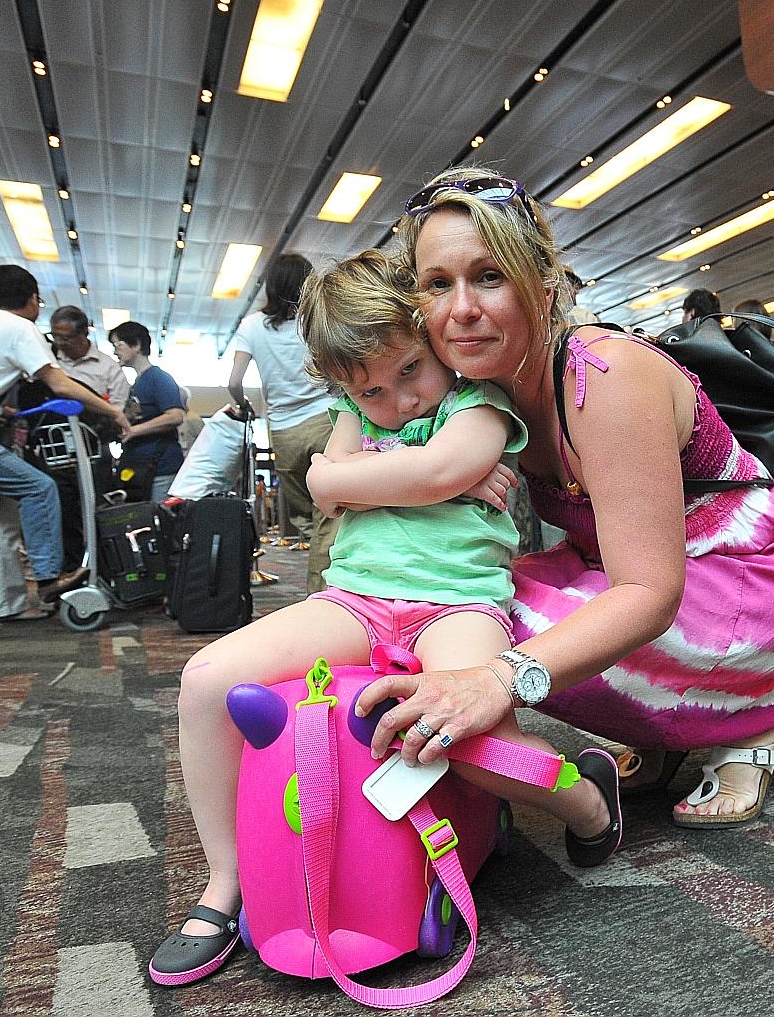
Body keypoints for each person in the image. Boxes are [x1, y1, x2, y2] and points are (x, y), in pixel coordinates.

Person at [149, 249, 623, 987]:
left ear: (429, 342)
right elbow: (324, 483)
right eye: (372, 389)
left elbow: (415, 472)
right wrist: (372, 478)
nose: (399, 400)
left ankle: (590, 803)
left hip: (454, 607)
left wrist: (368, 478)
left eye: (411, 370)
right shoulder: (350, 410)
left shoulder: (479, 403)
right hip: (354, 603)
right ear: (342, 385)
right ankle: (226, 883)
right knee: (206, 680)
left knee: (474, 731)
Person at [385, 166, 774, 829]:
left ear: (542, 290)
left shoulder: (602, 373)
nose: (461, 310)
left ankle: (746, 719)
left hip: (756, 577)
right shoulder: (486, 394)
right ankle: (667, 728)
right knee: (444, 596)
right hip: (656, 574)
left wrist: (495, 679)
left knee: (488, 627)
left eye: (489, 276)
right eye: (437, 284)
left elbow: (650, 592)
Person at [0, 265, 127, 642]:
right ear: (32, 299)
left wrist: (6, 411)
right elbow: (58, 382)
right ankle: (49, 577)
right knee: (38, 487)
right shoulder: (18, 328)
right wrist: (112, 410)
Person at [227, 253, 335, 584]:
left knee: (307, 515)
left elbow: (234, 382)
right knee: (331, 511)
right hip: (326, 418)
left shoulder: (251, 326)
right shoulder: (316, 318)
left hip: (283, 429)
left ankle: (325, 591)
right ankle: (328, 589)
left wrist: (244, 405)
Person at [46, 305, 129, 571]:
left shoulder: (108, 368)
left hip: (94, 451)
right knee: (62, 516)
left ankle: (103, 572)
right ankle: (71, 573)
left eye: (66, 338)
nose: (60, 343)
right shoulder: (47, 362)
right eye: (55, 336)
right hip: (55, 448)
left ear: (84, 335)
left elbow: (116, 411)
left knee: (97, 514)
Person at [109, 321, 185, 502]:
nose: (115, 351)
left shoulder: (158, 378)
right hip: (141, 467)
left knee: (159, 521)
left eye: (118, 345)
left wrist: (134, 431)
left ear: (136, 345)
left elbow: (175, 415)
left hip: (161, 467)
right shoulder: (138, 383)